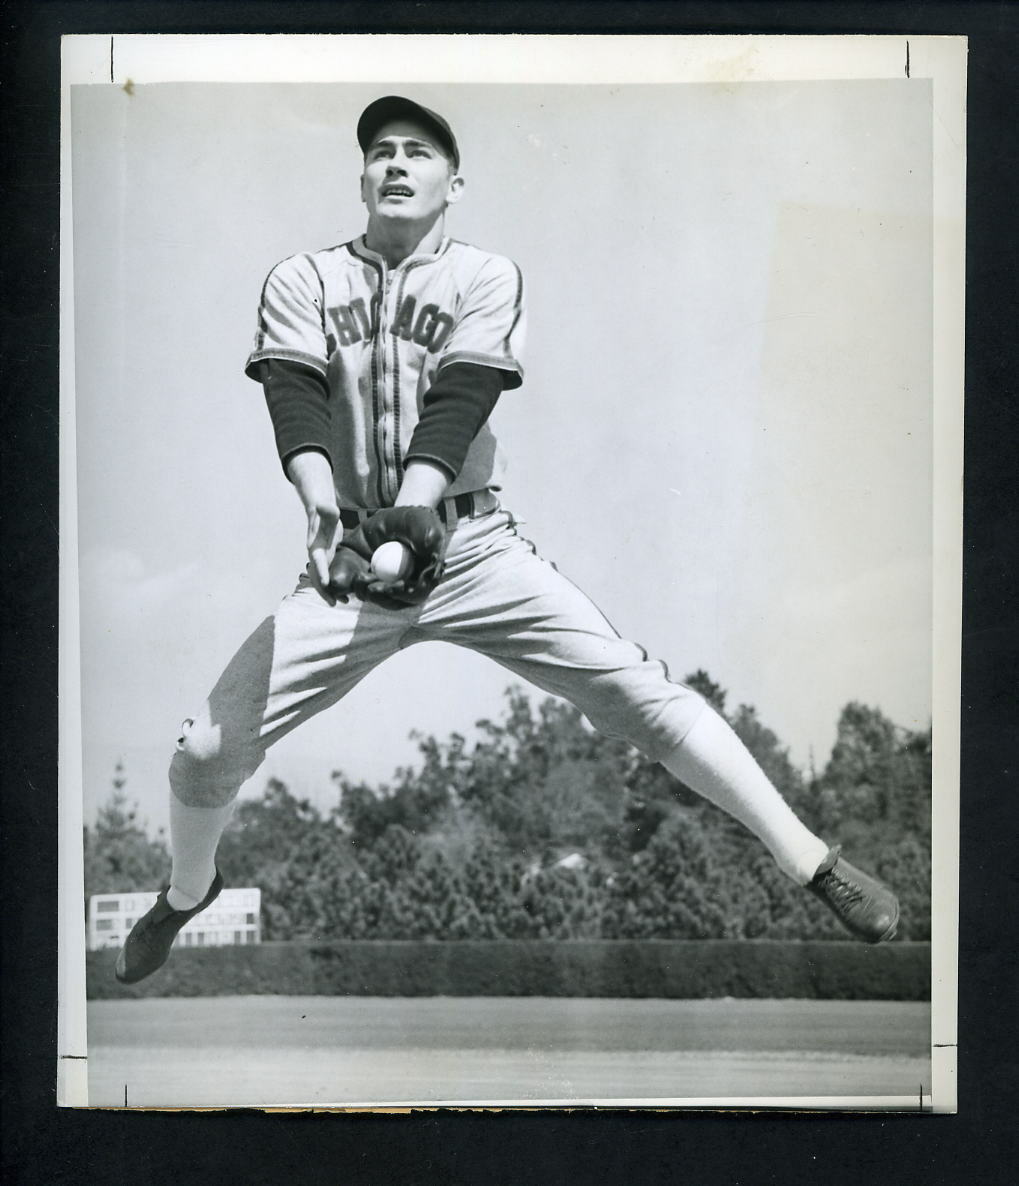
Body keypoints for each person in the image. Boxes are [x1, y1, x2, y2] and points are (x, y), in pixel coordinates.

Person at [116, 96, 898, 984]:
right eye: (380, 152)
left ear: (456, 182)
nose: (397, 164)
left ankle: (814, 863)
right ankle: (184, 895)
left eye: (419, 152)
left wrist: (414, 509)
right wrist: (319, 501)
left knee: (635, 692)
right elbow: (291, 393)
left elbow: (463, 394)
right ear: (361, 176)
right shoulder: (302, 277)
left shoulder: (484, 275)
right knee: (206, 749)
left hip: (473, 546)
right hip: (348, 560)